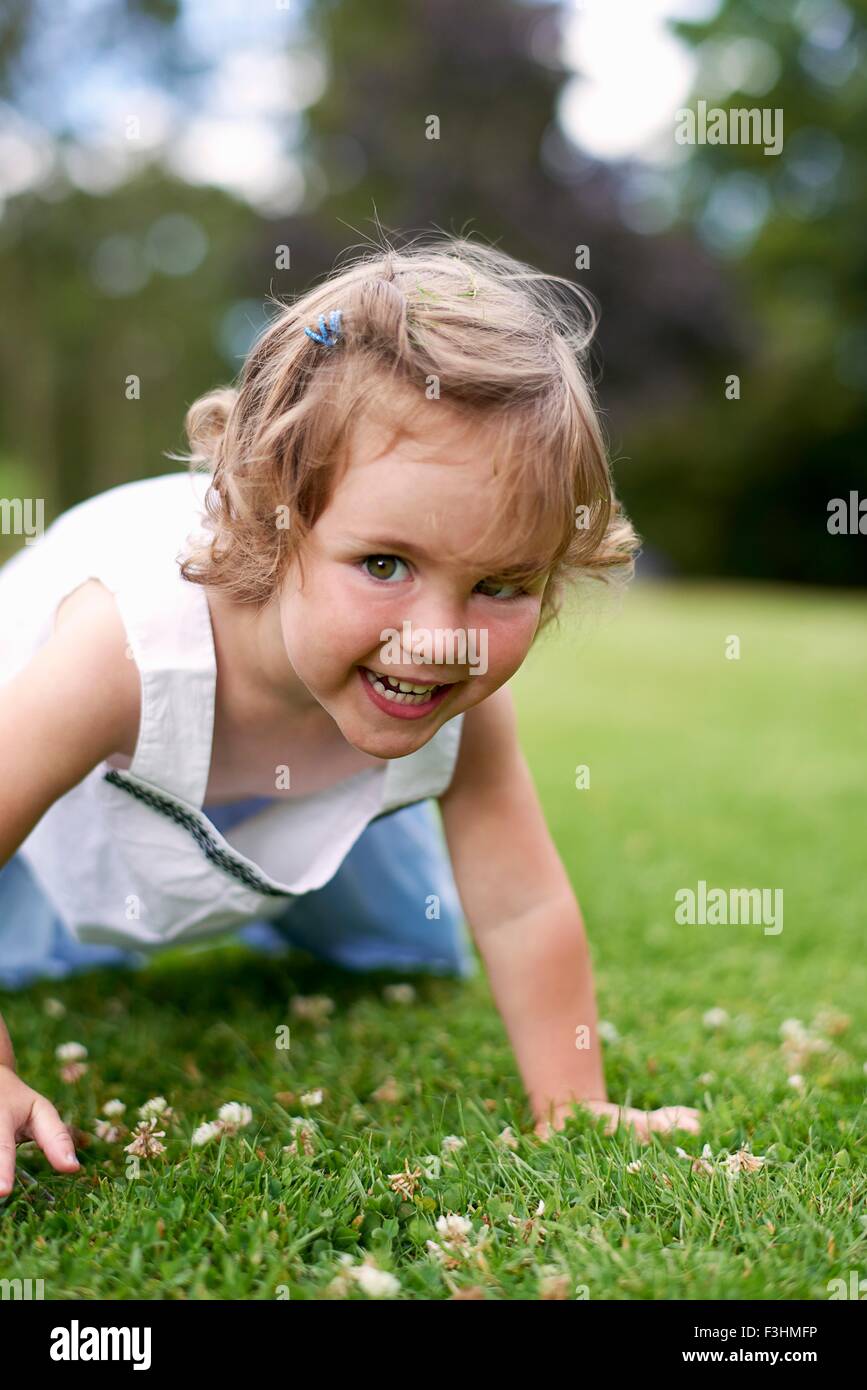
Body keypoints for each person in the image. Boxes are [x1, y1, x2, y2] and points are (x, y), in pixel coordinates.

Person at [0, 235, 699, 1197]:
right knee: (34, 940)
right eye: (383, 565)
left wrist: (573, 1099)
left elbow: (522, 899)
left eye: (500, 583)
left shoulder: (443, 688)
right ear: (268, 516)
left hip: (315, 755)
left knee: (403, 949)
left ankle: (271, 885)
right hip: (66, 773)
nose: (438, 643)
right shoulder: (119, 650)